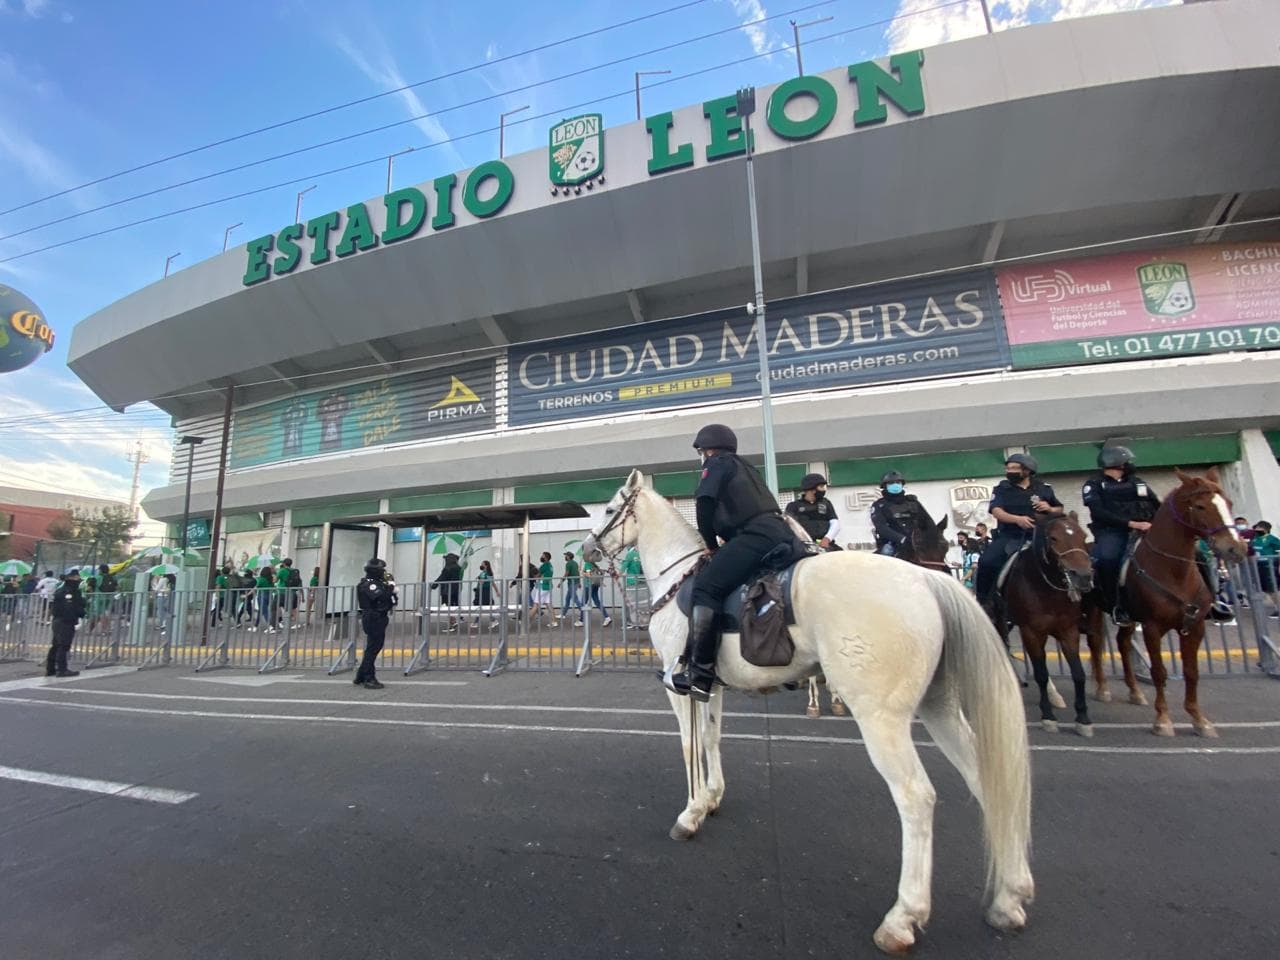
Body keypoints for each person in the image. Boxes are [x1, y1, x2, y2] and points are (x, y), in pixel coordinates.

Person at [667, 423, 802, 701]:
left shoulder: (717, 463)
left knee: (706, 587)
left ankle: (700, 675)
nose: (703, 455)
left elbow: (704, 502)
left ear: (708, 449)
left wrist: (710, 544)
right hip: (783, 534)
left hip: (755, 535)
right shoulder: (746, 467)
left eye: (702, 451)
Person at [974, 453, 1064, 622]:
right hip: (1010, 536)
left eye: (1014, 468)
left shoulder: (1043, 488)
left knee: (1070, 557)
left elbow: (1060, 509)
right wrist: (1017, 520)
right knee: (987, 561)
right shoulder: (1002, 488)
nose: (1009, 471)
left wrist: (1050, 508)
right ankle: (985, 603)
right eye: (1007, 468)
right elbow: (996, 511)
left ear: (1027, 470)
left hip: (1042, 536)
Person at [1082, 446, 1160, 625]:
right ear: (1115, 463)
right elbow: (1098, 511)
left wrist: (1158, 525)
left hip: (1146, 529)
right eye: (1127, 462)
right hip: (1112, 532)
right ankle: (1116, 606)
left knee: (1192, 552)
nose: (1130, 465)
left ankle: (1210, 601)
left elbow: (1157, 504)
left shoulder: (1138, 482)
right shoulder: (1093, 484)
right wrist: (1131, 524)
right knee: (1108, 559)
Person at [869, 471, 937, 557]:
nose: (895, 485)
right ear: (885, 486)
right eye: (891, 483)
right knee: (885, 553)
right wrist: (902, 539)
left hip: (917, 543)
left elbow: (928, 522)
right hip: (893, 544)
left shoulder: (913, 502)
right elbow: (881, 527)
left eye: (898, 482)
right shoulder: (879, 505)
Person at [355, 558, 396, 688]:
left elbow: (391, 599)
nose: (383, 572)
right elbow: (381, 597)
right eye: (381, 570)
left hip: (380, 616)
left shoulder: (377, 583)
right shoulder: (368, 584)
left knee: (373, 647)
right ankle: (368, 678)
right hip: (373, 616)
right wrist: (390, 588)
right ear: (374, 571)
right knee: (373, 648)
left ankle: (361, 675)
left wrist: (390, 588)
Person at [45, 568, 86, 677]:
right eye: (76, 577)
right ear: (72, 578)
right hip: (65, 621)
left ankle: (51, 668)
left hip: (59, 620)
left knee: (56, 645)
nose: (78, 580)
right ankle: (61, 669)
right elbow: (72, 606)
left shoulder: (62, 589)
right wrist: (80, 613)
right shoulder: (70, 591)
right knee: (63, 645)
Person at [785, 473, 841, 550]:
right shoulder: (793, 506)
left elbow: (835, 523)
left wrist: (827, 539)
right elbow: (789, 527)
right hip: (803, 546)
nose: (824, 490)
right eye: (821, 487)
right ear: (812, 489)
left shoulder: (826, 503)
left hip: (825, 544)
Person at [1251, 521, 1280, 616]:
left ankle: (1278, 608)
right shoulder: (1255, 539)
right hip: (1259, 565)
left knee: (1273, 587)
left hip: (1270, 565)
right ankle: (1276, 606)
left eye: (1259, 527)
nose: (1256, 529)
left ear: (1265, 529)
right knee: (1266, 588)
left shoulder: (1273, 539)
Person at [431, 552, 463, 631]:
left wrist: (433, 586)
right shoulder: (458, 568)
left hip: (447, 590)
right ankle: (455, 620)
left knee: (447, 606)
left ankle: (453, 623)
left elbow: (441, 578)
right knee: (453, 605)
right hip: (456, 590)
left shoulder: (447, 568)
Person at [555, 551, 585, 626]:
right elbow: (577, 573)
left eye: (565, 556)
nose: (565, 557)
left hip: (572, 583)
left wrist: (560, 582)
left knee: (575, 599)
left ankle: (584, 613)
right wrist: (579, 583)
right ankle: (563, 614)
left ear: (568, 556)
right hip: (575, 582)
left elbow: (566, 574)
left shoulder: (568, 564)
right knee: (567, 599)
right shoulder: (575, 563)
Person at [582, 557, 612, 626]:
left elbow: (589, 575)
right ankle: (607, 617)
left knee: (583, 602)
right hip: (595, 585)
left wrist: (583, 573)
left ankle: (581, 620)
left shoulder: (587, 564)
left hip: (589, 585)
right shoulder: (594, 564)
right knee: (597, 601)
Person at [533, 552, 555, 623]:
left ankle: (526, 621)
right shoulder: (550, 565)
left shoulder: (545, 565)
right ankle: (553, 621)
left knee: (536, 605)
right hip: (548, 586)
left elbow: (537, 575)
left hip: (542, 587)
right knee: (549, 604)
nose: (541, 557)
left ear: (545, 557)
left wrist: (534, 574)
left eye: (542, 556)